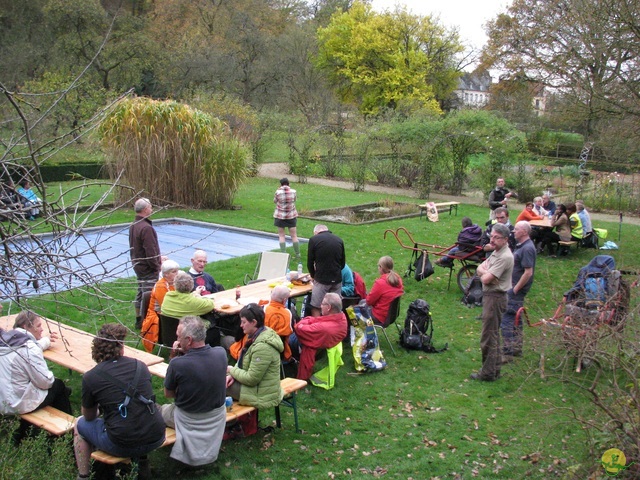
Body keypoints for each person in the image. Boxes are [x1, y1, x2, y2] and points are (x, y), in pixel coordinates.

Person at [74, 324, 165, 480]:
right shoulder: (141, 366)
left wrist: (98, 410)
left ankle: (83, 475)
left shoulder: (91, 377)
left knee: (79, 424)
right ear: (121, 346)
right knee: (137, 415)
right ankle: (142, 462)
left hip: (121, 444)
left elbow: (89, 417)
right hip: (156, 436)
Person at [161, 316, 227, 467]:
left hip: (188, 418)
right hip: (216, 416)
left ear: (189, 340)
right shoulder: (221, 353)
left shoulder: (177, 364)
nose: (177, 340)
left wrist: (173, 355)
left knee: (158, 410)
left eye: (178, 336)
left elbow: (168, 394)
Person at [0, 310, 72, 415]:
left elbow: (26, 350)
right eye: (38, 326)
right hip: (17, 404)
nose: (42, 329)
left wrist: (45, 341)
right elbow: (46, 382)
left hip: (3, 398)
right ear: (25, 327)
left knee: (56, 387)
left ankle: (65, 393)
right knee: (57, 385)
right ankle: (67, 425)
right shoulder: (30, 349)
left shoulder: (7, 341)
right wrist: (51, 375)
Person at [471, 223, 514, 382]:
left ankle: (487, 373)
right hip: (491, 295)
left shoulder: (505, 256)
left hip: (495, 297)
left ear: (505, 239)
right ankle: (494, 370)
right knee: (492, 334)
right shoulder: (497, 252)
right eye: (492, 236)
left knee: (488, 336)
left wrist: (485, 273)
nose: (492, 240)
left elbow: (486, 277)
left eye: (497, 237)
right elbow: (480, 268)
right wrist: (485, 272)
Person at [226, 304, 284, 409]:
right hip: (258, 387)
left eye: (244, 322)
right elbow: (243, 362)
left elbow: (251, 379)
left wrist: (232, 370)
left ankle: (228, 422)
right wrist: (233, 375)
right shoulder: (257, 334)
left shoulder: (263, 347)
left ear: (254, 322)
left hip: (261, 394)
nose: (241, 325)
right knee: (218, 375)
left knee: (216, 383)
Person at [501, 221, 536, 361]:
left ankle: (507, 353)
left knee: (507, 320)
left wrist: (514, 290)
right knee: (516, 319)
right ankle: (516, 347)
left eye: (516, 230)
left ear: (525, 232)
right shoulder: (522, 246)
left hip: (515, 291)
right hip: (514, 288)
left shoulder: (527, 248)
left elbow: (528, 272)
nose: (513, 232)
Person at [230, 285, 293, 361]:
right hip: (279, 352)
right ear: (285, 300)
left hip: (255, 349)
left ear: (271, 295)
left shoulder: (260, 311)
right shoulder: (289, 314)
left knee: (228, 341)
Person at [294, 293, 348, 381]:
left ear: (329, 307)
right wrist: (309, 321)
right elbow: (313, 321)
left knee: (287, 336)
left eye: (323, 304)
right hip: (323, 345)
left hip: (310, 345)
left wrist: (304, 322)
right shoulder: (342, 318)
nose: (320, 306)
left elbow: (299, 329)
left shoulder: (323, 328)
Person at [129, 198, 162, 330]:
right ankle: (146, 322)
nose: (152, 209)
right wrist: (157, 266)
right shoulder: (146, 228)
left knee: (140, 292)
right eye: (150, 207)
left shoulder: (133, 225)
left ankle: (138, 320)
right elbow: (150, 251)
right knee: (148, 295)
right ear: (145, 209)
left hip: (138, 266)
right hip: (148, 268)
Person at [141, 259, 180, 353]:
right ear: (166, 274)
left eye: (177, 271)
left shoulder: (174, 283)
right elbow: (166, 306)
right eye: (174, 272)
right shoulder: (160, 286)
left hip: (171, 312)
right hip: (159, 316)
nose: (177, 274)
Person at [307, 224, 345, 317]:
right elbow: (342, 263)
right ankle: (334, 328)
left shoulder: (313, 240)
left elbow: (310, 262)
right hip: (337, 279)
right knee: (334, 307)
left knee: (316, 306)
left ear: (316, 232)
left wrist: (313, 275)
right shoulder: (339, 240)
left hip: (321, 279)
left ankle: (318, 328)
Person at [365, 256, 404, 324]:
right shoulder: (398, 279)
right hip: (392, 315)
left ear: (381, 268)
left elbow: (369, 302)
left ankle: (364, 333)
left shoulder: (380, 283)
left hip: (380, 317)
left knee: (356, 310)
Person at [274, 178, 300, 259]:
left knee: (281, 236)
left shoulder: (278, 192)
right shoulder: (293, 191)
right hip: (291, 216)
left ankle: (283, 254)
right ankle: (298, 254)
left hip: (280, 216)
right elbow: (295, 200)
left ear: (281, 184)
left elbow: (275, 201)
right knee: (294, 236)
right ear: (288, 184)